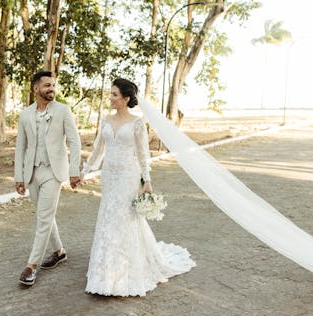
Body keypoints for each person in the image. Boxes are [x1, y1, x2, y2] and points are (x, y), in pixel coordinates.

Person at [80, 78, 196, 296]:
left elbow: (143, 154)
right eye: (111, 93)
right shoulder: (106, 120)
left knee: (125, 218)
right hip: (109, 177)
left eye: (114, 94)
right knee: (108, 216)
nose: (111, 98)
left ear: (125, 98)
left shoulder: (137, 122)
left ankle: (125, 271)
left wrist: (147, 180)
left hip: (127, 177)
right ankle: (104, 271)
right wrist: (84, 171)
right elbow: (98, 150)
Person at [14, 71, 81, 286]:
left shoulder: (63, 111)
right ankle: (59, 252)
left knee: (43, 218)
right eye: (47, 85)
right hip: (33, 172)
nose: (51, 88)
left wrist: (74, 171)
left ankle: (31, 266)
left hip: (54, 172)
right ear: (35, 89)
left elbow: (75, 142)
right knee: (46, 216)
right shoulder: (25, 115)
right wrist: (19, 176)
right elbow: (20, 148)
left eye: (53, 85)